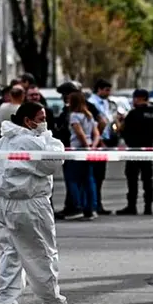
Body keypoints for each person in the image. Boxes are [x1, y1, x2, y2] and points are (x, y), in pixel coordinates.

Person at [0, 101, 75, 304]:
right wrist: (46, 139)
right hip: (28, 205)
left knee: (10, 253)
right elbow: (53, 162)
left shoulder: (5, 140)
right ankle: (53, 302)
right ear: (28, 121)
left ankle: (5, 302)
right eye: (41, 118)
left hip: (3, 204)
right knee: (41, 253)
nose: (45, 122)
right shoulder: (30, 141)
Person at [115, 89, 153, 216]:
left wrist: (118, 121)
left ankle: (132, 206)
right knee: (147, 179)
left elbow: (121, 130)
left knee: (132, 179)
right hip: (148, 150)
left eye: (135, 98)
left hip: (134, 150)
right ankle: (148, 206)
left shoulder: (133, 114)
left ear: (139, 98)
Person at [65, 90, 101, 221]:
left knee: (73, 179)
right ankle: (92, 207)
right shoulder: (89, 116)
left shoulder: (74, 116)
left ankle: (77, 206)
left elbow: (79, 133)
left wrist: (85, 146)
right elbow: (96, 133)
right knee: (88, 179)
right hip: (89, 148)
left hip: (78, 149)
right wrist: (93, 146)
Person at [87, 79, 114, 216]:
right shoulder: (93, 103)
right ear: (99, 89)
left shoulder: (105, 103)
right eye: (106, 90)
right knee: (96, 175)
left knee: (100, 176)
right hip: (98, 142)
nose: (109, 93)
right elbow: (98, 123)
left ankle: (98, 203)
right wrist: (100, 139)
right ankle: (95, 204)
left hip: (105, 141)